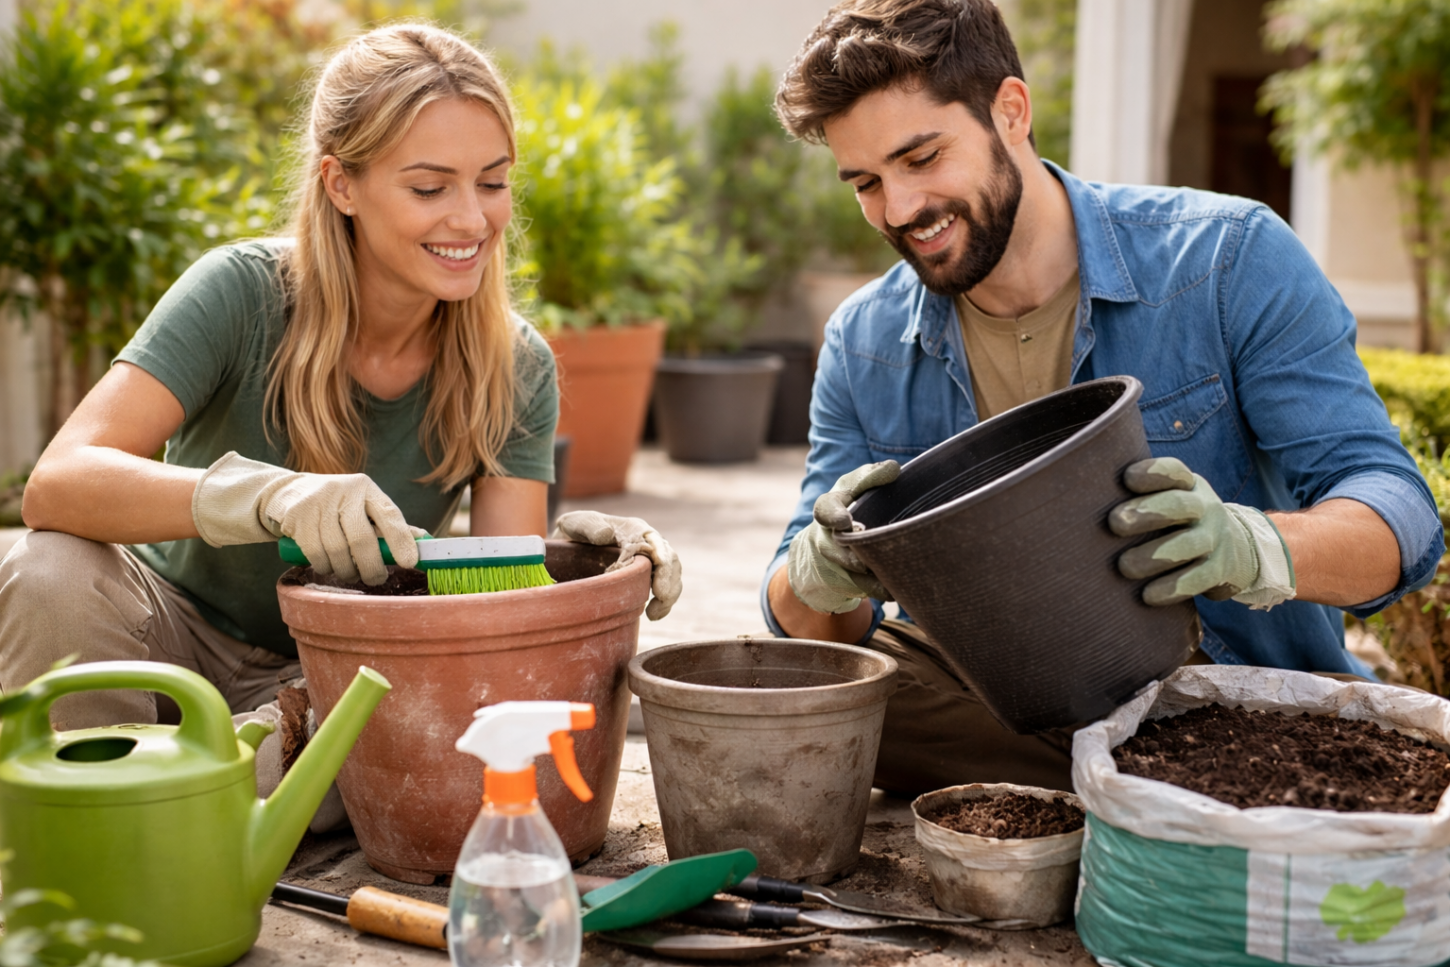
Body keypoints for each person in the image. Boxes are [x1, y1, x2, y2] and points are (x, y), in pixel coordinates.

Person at [762, 0, 1443, 795]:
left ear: (1010, 112)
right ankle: (1139, 799)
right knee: (794, 688)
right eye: (867, 182)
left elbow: (1401, 515)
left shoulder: (1226, 258)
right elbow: (802, 625)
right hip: (1007, 696)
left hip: (1221, 693)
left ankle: (1124, 796)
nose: (901, 208)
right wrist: (821, 570)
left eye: (923, 158)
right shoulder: (864, 340)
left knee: (850, 732)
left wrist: (1255, 546)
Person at [0, 25, 680, 744]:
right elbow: (58, 482)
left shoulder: (513, 365)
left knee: (403, 720)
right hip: (165, 633)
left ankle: (203, 783)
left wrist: (583, 574)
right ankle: (118, 793)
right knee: (49, 568)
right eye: (428, 186)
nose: (473, 218)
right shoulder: (241, 293)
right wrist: (270, 496)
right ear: (340, 183)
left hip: (333, 671)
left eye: (493, 181)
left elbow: (493, 608)